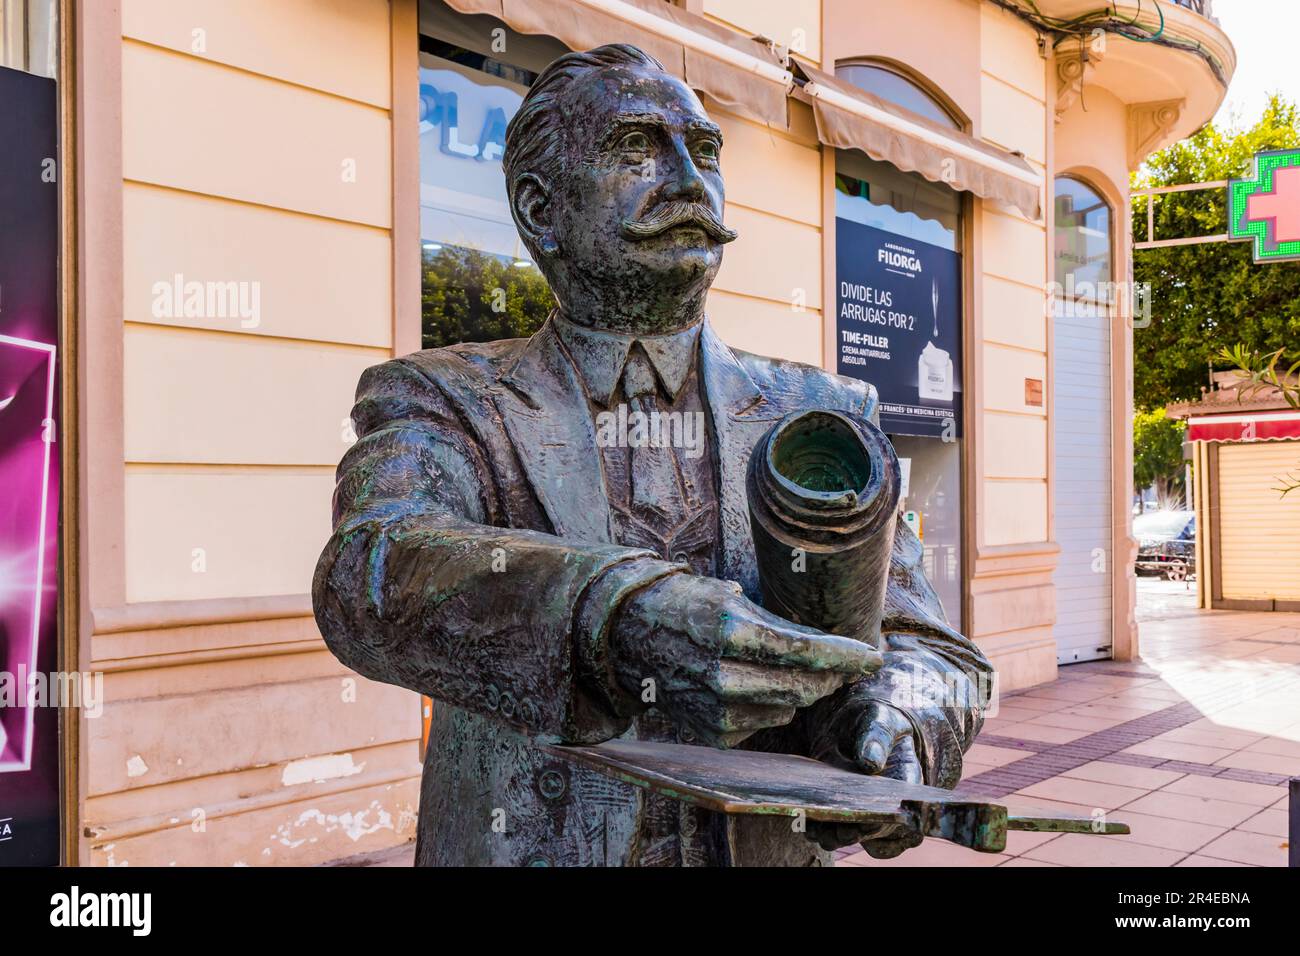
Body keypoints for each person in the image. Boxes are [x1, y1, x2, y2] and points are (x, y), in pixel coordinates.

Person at [313, 44, 990, 866]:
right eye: (637, 148)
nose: (687, 181)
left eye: (705, 152)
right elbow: (370, 568)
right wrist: (611, 613)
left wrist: (901, 721)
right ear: (540, 209)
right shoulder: (445, 397)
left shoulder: (823, 413)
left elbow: (932, 649)